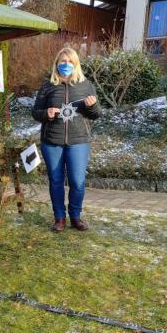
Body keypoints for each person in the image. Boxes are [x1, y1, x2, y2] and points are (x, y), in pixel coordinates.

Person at [31, 47, 101, 232]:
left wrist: (92, 107)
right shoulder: (47, 86)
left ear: (76, 64)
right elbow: (35, 112)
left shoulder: (86, 85)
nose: (66, 65)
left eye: (70, 62)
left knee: (77, 181)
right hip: (52, 141)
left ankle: (75, 216)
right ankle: (59, 217)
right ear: (56, 64)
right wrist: (46, 113)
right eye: (62, 61)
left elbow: (96, 115)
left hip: (79, 141)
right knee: (56, 180)